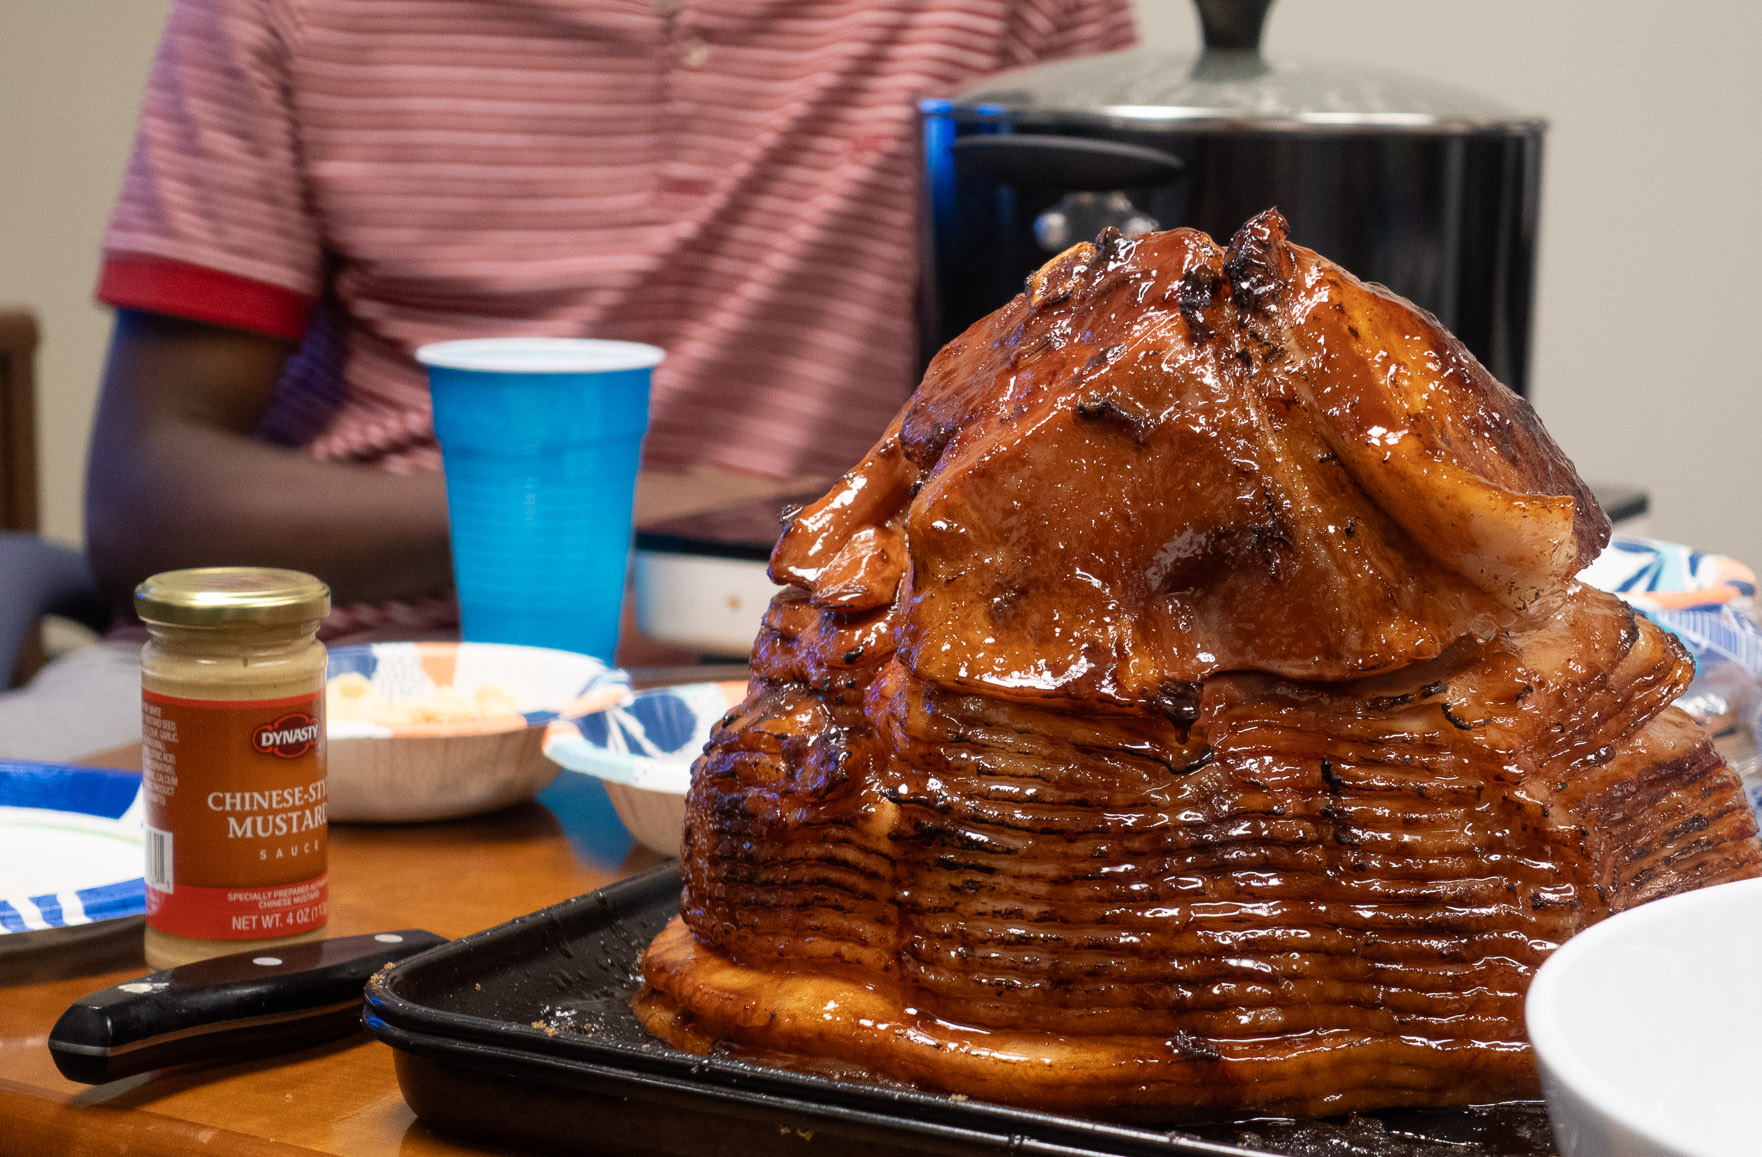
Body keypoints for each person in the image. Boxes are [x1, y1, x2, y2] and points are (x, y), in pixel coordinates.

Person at [0, 0, 1135, 760]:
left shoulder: (998, 17)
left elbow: (1100, 410)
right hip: (334, 668)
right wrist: (622, 514)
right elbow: (147, 500)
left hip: (806, 675)